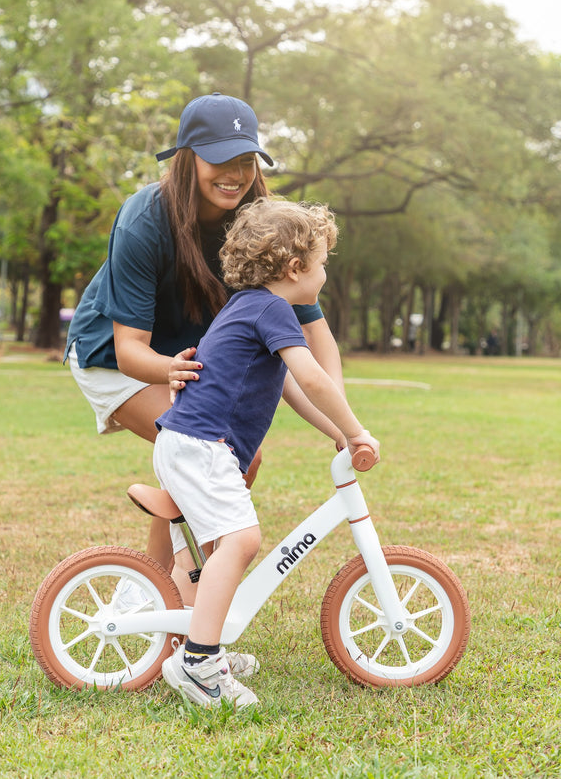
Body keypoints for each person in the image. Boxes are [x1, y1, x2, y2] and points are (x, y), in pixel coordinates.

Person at [63, 92, 345, 589]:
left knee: (222, 458)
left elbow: (313, 333)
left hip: (188, 358)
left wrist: (341, 420)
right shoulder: (145, 218)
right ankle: (155, 593)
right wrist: (168, 370)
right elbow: (130, 349)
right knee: (217, 452)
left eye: (244, 158)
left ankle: (172, 594)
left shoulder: (265, 224)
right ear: (187, 159)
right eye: (219, 160)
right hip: (117, 359)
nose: (234, 173)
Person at [155, 198, 380, 709]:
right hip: (201, 446)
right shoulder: (274, 309)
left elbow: (288, 389)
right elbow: (311, 376)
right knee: (241, 540)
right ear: (296, 267)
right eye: (323, 262)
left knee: (212, 552)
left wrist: (337, 431)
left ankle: (199, 642)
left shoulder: (249, 305)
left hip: (189, 443)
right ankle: (199, 663)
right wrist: (357, 428)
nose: (325, 272)